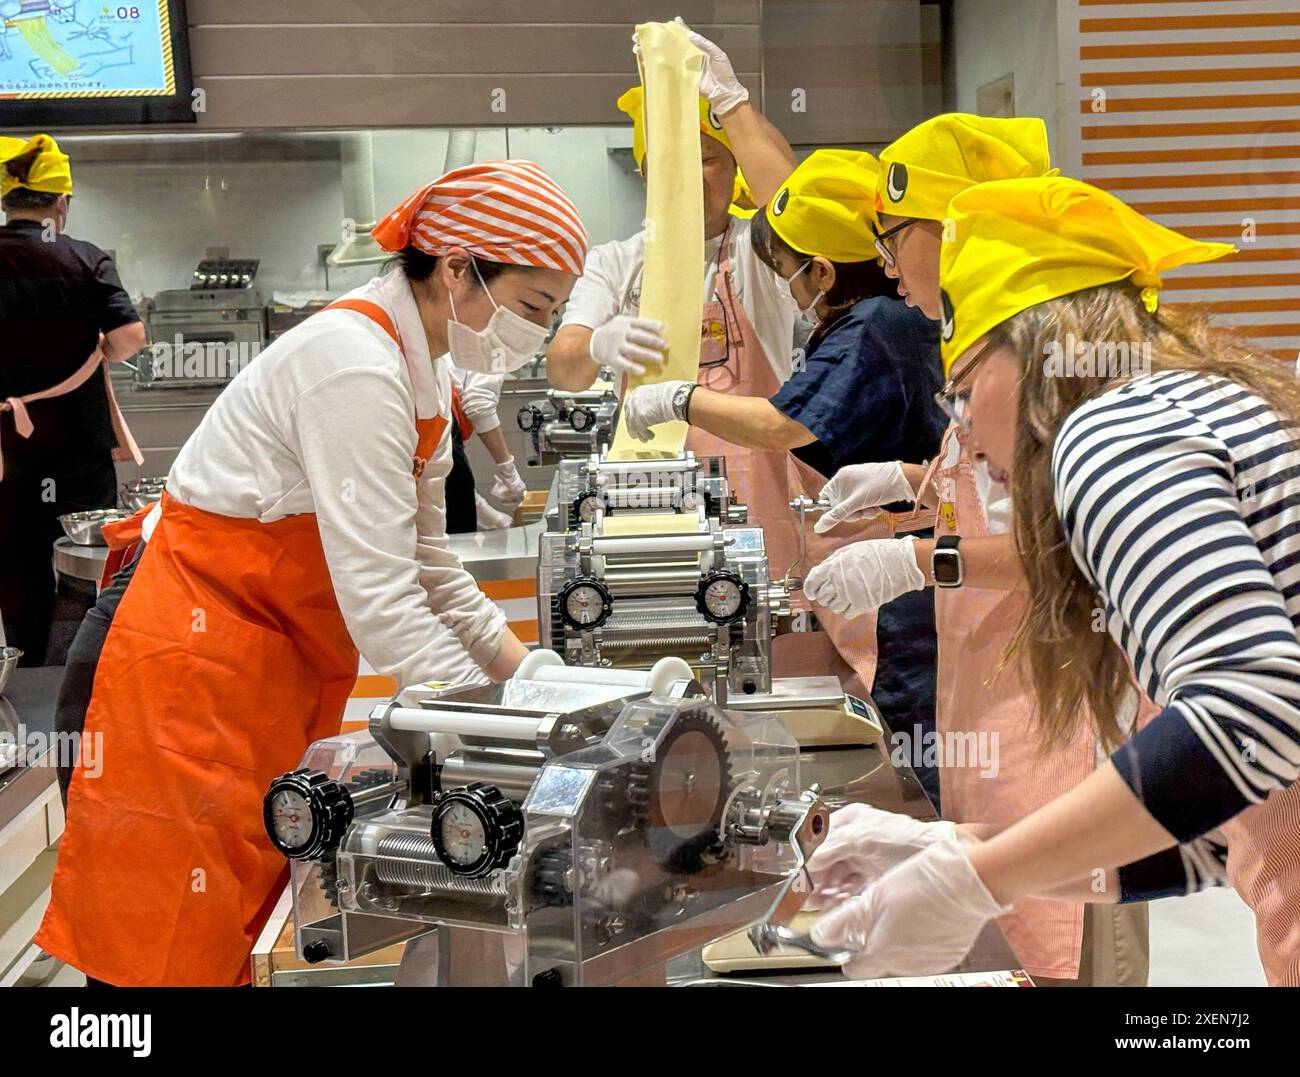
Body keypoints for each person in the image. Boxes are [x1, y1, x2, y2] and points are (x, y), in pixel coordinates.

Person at [35, 160, 589, 987]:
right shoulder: (353, 364)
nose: (536, 332)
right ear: (458, 268)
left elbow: (428, 560)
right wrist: (500, 729)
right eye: (533, 305)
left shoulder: (425, 366)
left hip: (255, 667)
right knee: (163, 943)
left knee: (239, 919)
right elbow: (383, 603)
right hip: (174, 663)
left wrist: (531, 677)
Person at [810, 175, 1300, 988]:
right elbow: (1218, 835)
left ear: (1029, 351)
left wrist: (981, 880)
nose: (963, 433)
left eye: (962, 395)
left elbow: (1254, 706)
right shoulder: (1201, 403)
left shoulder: (1111, 429)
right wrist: (974, 855)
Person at [803, 115, 1153, 987]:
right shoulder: (988, 338)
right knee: (1014, 917)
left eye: (892, 235)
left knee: (1066, 930)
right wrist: (906, 482)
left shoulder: (1060, 355)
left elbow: (1070, 550)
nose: (884, 263)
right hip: (989, 682)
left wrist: (918, 561)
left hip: (1052, 695)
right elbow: (999, 501)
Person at [621, 149, 947, 802]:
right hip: (892, 555)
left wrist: (675, 400)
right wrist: (908, 476)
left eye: (789, 276)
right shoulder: (864, 323)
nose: (788, 291)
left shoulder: (874, 325)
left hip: (912, 577)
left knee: (931, 745)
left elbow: (779, 427)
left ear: (822, 270)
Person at [546, 23, 804, 576]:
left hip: (764, 495)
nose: (689, 172)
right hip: (653, 494)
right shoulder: (616, 262)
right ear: (645, 174)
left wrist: (733, 103)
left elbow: (795, 209)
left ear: (734, 168)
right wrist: (598, 344)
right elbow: (564, 370)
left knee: (772, 636)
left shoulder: (756, 249)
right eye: (671, 158)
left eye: (708, 158)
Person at [0, 133, 144, 665]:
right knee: (84, 558)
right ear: (60, 203)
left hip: (5, 450)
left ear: (6, 200)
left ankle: (24, 660)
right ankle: (82, 666)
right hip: (77, 444)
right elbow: (130, 339)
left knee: (14, 560)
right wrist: (91, 350)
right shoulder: (84, 258)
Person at [444, 368, 527, 533]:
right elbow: (479, 404)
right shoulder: (495, 343)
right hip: (441, 422)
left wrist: (492, 518)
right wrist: (509, 471)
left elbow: (442, 476)